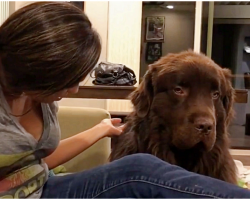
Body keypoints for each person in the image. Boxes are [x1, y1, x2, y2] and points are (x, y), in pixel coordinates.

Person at [0, 1, 250, 199]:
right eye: (66, 79)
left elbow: (40, 161)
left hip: (46, 187)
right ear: (33, 66)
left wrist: (100, 130)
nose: (74, 89)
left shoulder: (41, 97)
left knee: (139, 167)